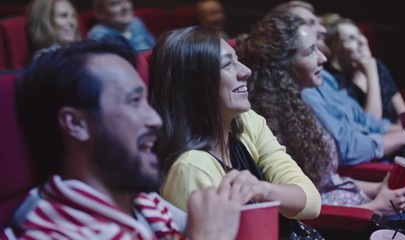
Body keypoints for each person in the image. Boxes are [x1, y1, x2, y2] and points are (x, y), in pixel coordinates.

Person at [1, 37, 257, 239]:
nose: (155, 120)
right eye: (134, 102)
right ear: (76, 124)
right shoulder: (54, 233)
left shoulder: (140, 202)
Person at [237, 11, 405, 235]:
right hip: (347, 221)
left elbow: (329, 178)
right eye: (310, 52)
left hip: (358, 200)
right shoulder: (270, 119)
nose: (323, 58)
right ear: (283, 66)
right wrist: (374, 208)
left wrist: (378, 189)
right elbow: (299, 206)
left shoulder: (296, 106)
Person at [149, 26, 321, 223]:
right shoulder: (190, 169)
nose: (246, 71)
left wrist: (263, 189)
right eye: (227, 65)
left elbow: (310, 203)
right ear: (195, 84)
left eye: (237, 60)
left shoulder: (245, 121)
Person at [273, 0, 405, 166]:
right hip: (375, 163)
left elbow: (365, 121)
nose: (322, 29)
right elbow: (347, 148)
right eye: (310, 23)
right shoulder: (304, 88)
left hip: (385, 149)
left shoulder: (326, 78)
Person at [324, 17, 405, 123]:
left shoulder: (378, 65)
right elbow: (370, 123)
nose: (362, 41)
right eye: (351, 38)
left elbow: (403, 113)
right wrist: (371, 71)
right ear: (338, 51)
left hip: (400, 134)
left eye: (360, 34)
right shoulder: (336, 82)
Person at [87, 0, 155, 51]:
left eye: (126, 1)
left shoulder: (136, 23)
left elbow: (155, 48)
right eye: (115, 4)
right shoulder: (98, 36)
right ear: (99, 13)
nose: (125, 7)